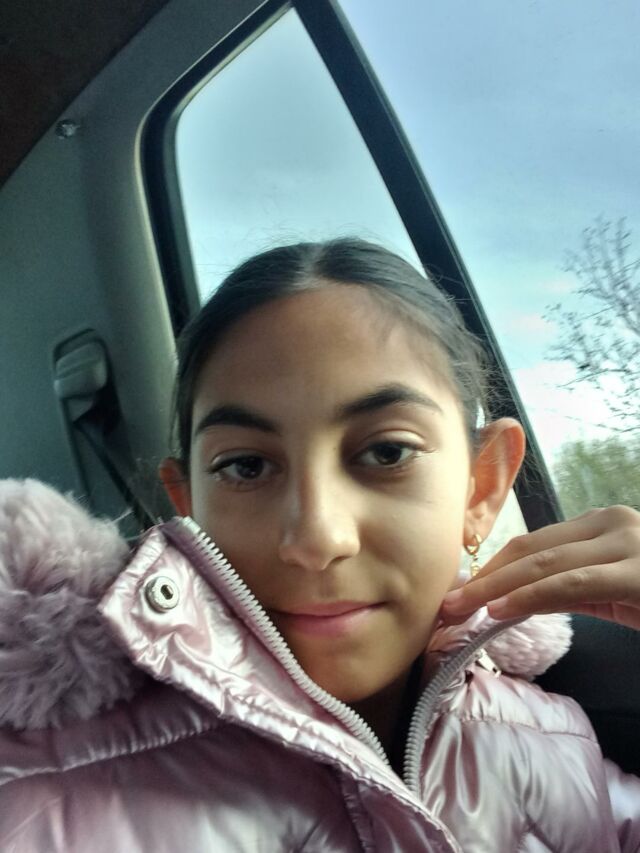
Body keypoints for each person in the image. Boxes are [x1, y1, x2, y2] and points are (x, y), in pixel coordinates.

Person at [1, 238, 639, 851]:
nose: (316, 538)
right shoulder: (32, 799)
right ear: (188, 506)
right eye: (246, 466)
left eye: (387, 452)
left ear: (482, 488)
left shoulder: (559, 741)